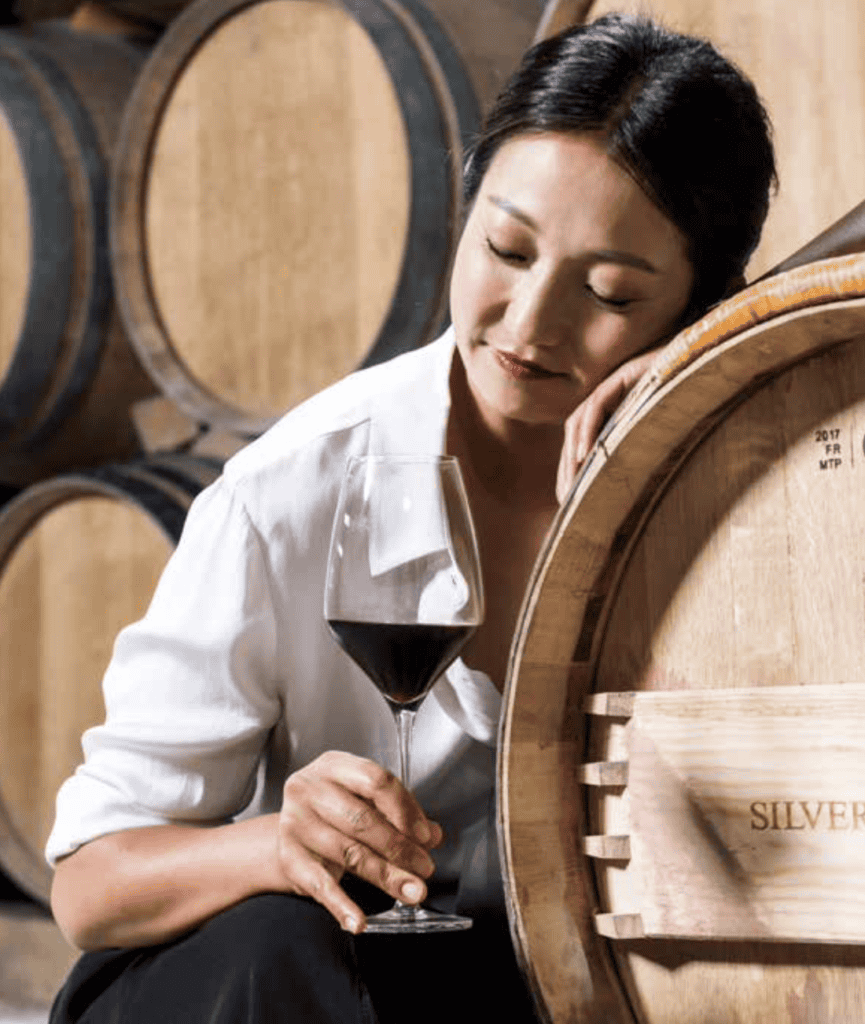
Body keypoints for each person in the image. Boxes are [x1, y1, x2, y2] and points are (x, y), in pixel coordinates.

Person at [45, 13, 776, 1024]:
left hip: (500, 977)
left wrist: (727, 351)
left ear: (692, 303)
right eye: (506, 248)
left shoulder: (739, 484)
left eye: (609, 291)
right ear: (464, 212)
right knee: (285, 936)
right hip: (251, 991)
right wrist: (275, 844)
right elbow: (87, 883)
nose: (528, 325)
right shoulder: (288, 493)